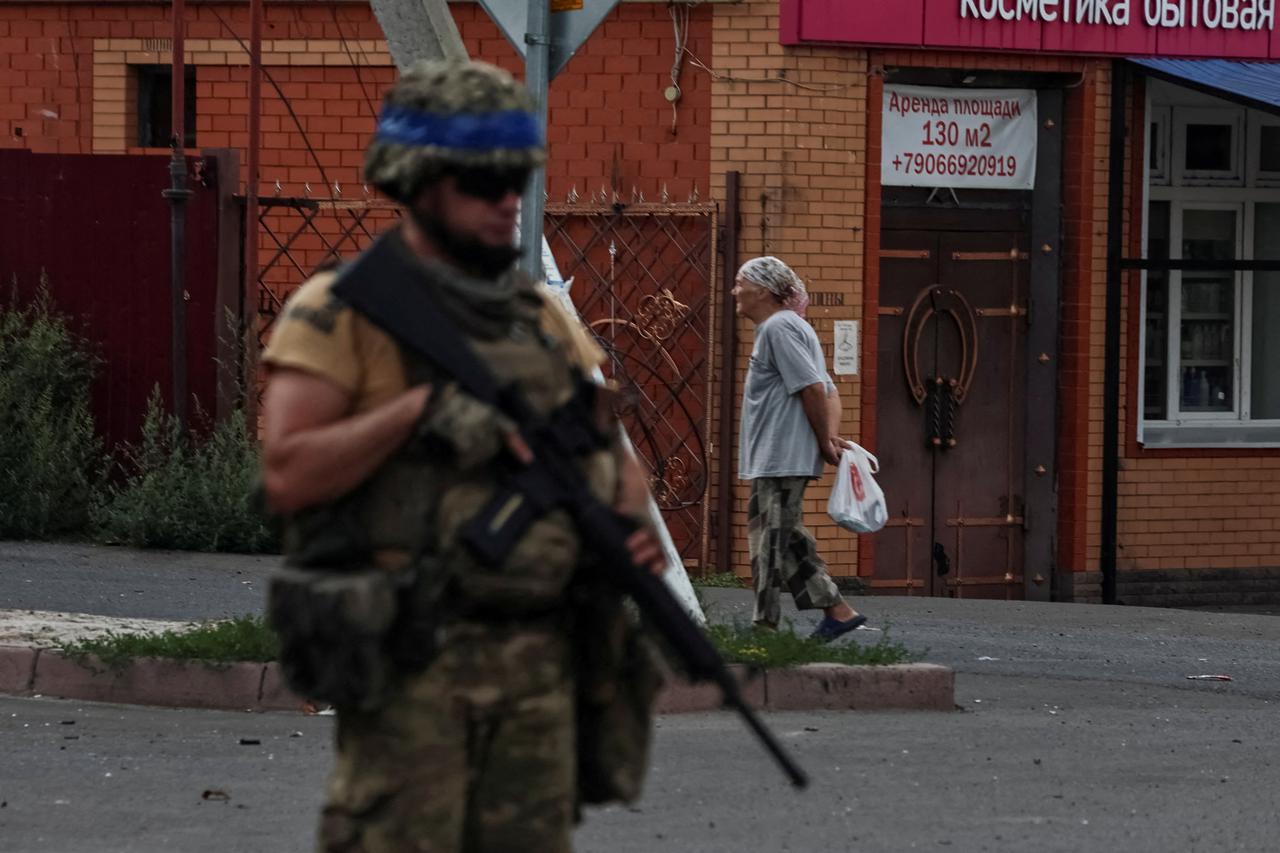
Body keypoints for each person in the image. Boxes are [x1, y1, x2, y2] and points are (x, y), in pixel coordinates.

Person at [259, 59, 664, 853]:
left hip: (539, 663)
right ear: (418, 181)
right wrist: (420, 411)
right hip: (416, 660)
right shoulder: (343, 311)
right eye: (484, 181)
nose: (509, 198)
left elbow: (612, 453)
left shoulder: (537, 316)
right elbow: (289, 472)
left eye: (515, 177)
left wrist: (620, 520)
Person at [733, 256, 866, 642]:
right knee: (787, 537)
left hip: (781, 456)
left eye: (740, 283)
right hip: (779, 456)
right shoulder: (791, 326)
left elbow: (812, 388)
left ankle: (765, 628)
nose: (735, 291)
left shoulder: (779, 327)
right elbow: (827, 388)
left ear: (762, 289)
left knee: (768, 542)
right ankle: (838, 611)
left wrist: (826, 440)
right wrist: (828, 435)